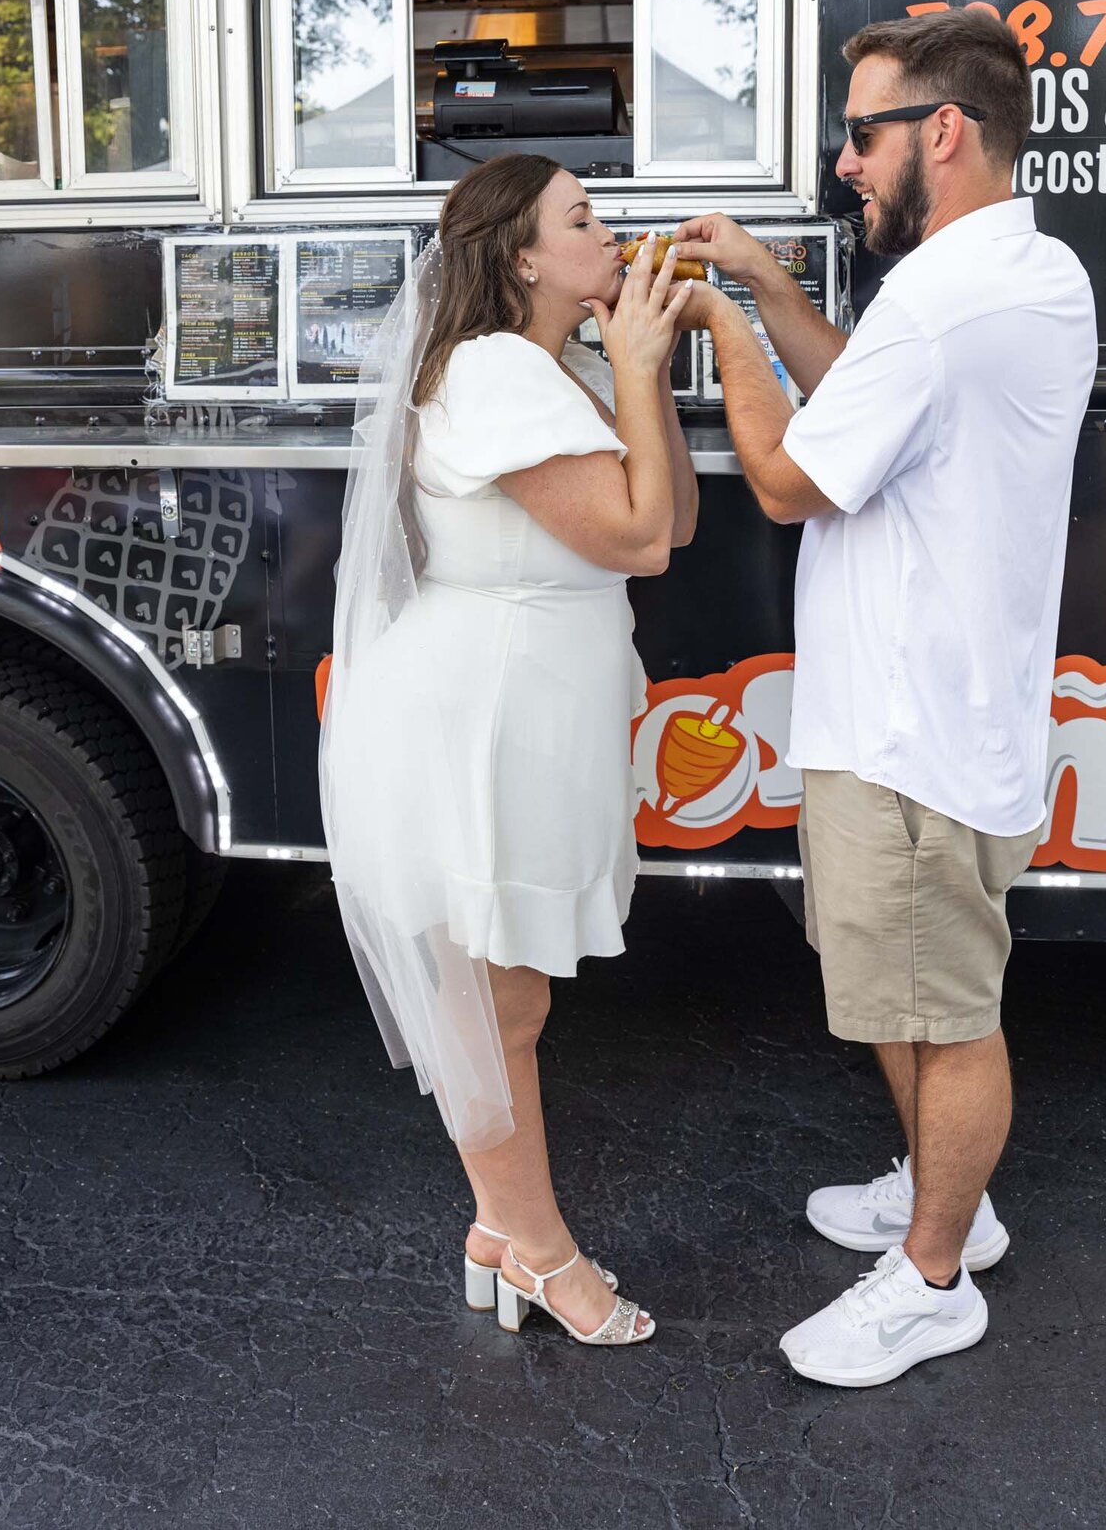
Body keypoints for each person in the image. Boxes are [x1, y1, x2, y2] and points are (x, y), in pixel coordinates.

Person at [671, 8, 1097, 1386]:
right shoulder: (1027, 272)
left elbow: (795, 474)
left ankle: (928, 1275)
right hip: (950, 711)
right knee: (918, 988)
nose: (846, 162)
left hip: (908, 727)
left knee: (943, 1007)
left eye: (863, 133)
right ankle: (942, 1198)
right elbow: (867, 389)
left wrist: (722, 326)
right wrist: (765, 281)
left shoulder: (940, 297)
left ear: (945, 132)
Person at [320, 154, 698, 1347]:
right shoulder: (491, 371)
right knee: (494, 1003)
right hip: (477, 721)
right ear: (523, 255)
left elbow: (672, 515)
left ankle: (497, 1229)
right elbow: (640, 537)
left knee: (506, 999)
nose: (612, 233)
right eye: (584, 218)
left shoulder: (558, 366)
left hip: (524, 714)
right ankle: (540, 1251)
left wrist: (639, 372)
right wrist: (634, 365)